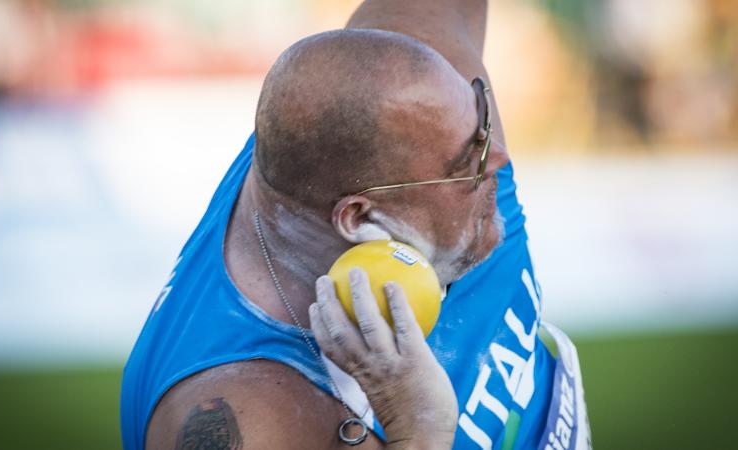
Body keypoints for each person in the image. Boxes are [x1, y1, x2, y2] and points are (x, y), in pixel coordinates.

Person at [121, 1, 591, 449]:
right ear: (360, 217)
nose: (501, 158)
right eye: (465, 162)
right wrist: (418, 432)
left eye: (483, 122)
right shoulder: (250, 412)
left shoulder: (422, 96)